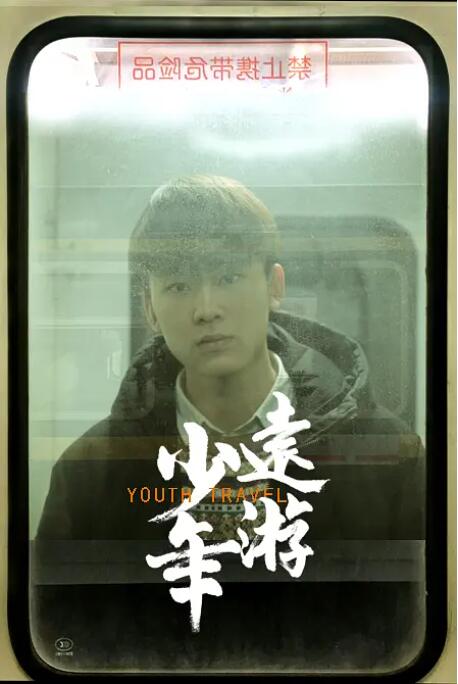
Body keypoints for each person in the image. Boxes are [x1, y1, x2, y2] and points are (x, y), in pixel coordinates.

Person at [33, 175, 425, 672]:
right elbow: (62, 640)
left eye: (228, 277)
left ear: (274, 286)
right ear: (149, 308)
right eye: (178, 286)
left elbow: (407, 633)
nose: (206, 309)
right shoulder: (90, 472)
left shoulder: (387, 456)